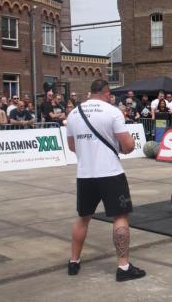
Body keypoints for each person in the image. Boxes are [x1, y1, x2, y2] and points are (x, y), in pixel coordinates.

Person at [66, 79, 145, 282]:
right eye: (110, 94)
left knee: (83, 217)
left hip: (85, 174)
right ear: (106, 92)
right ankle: (123, 267)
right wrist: (119, 146)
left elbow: (72, 146)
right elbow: (128, 146)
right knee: (120, 216)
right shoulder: (112, 112)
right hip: (110, 173)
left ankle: (74, 261)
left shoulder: (74, 113)